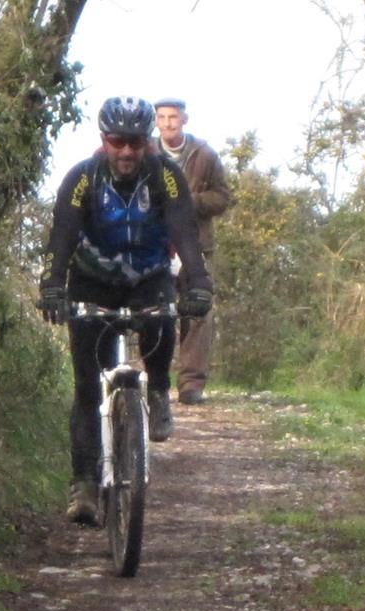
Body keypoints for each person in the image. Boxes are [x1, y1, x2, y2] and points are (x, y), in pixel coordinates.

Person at [38, 96, 213, 525]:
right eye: (118, 142)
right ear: (104, 140)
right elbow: (62, 235)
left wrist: (199, 282)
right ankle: (84, 485)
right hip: (91, 280)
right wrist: (52, 287)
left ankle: (159, 389)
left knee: (162, 318)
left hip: (148, 277)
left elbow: (184, 232)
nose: (128, 151)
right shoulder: (82, 177)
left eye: (136, 142)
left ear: (148, 141)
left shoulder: (165, 176)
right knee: (86, 387)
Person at [153, 97, 232, 406]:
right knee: (153, 310)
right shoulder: (145, 153)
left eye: (173, 117)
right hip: (154, 245)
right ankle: (155, 382)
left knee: (199, 311)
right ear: (156, 121)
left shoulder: (205, 154)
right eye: (162, 117)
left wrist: (190, 201)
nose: (168, 123)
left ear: (184, 120)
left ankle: (191, 385)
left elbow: (222, 197)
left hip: (196, 245)